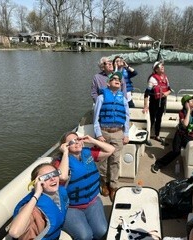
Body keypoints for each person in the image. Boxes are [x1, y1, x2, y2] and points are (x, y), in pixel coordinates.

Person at [53, 132, 115, 240]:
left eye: (78, 139)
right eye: (71, 142)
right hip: (71, 207)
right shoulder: (60, 163)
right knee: (85, 236)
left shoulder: (88, 153)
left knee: (102, 231)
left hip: (92, 202)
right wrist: (65, 153)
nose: (76, 142)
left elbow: (111, 150)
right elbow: (62, 177)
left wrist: (92, 140)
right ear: (65, 146)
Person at [94, 71, 130, 201]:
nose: (117, 80)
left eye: (119, 80)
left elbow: (126, 117)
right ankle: (104, 182)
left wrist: (126, 134)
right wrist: (98, 134)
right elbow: (96, 118)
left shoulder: (123, 99)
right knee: (103, 160)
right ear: (108, 83)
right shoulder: (101, 98)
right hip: (104, 132)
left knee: (115, 160)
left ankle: (113, 186)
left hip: (118, 132)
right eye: (114, 79)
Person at [9, 163, 69, 240]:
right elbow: (14, 232)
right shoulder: (34, 209)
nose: (52, 178)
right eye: (46, 177)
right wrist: (36, 194)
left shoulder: (59, 192)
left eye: (54, 173)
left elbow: (64, 176)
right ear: (37, 183)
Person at [151, 94, 193, 173]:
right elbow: (185, 124)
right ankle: (158, 163)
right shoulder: (182, 113)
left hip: (190, 136)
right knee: (176, 151)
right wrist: (188, 111)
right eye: (191, 100)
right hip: (180, 134)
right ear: (186, 104)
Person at [143, 60, 171, 142]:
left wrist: (166, 93)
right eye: (160, 66)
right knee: (151, 119)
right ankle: (147, 137)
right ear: (156, 69)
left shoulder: (165, 77)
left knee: (159, 119)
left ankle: (157, 135)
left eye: (163, 66)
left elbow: (169, 89)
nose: (162, 67)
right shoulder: (152, 79)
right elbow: (146, 93)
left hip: (162, 102)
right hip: (154, 102)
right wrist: (145, 106)